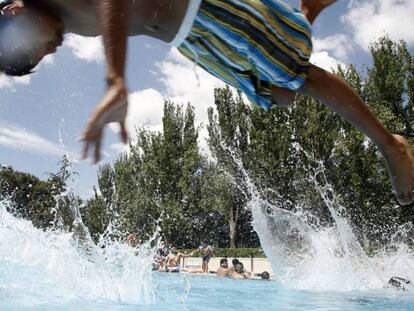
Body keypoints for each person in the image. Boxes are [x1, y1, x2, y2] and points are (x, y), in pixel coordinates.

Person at [1, 0, 414, 206]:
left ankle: (389, 144)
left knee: (294, 72)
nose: (51, 48)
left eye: (32, 44)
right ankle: (306, 9)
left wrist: (116, 79)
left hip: (202, 11)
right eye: (42, 55)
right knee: (279, 93)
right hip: (192, 41)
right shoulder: (64, 22)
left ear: (12, 9)